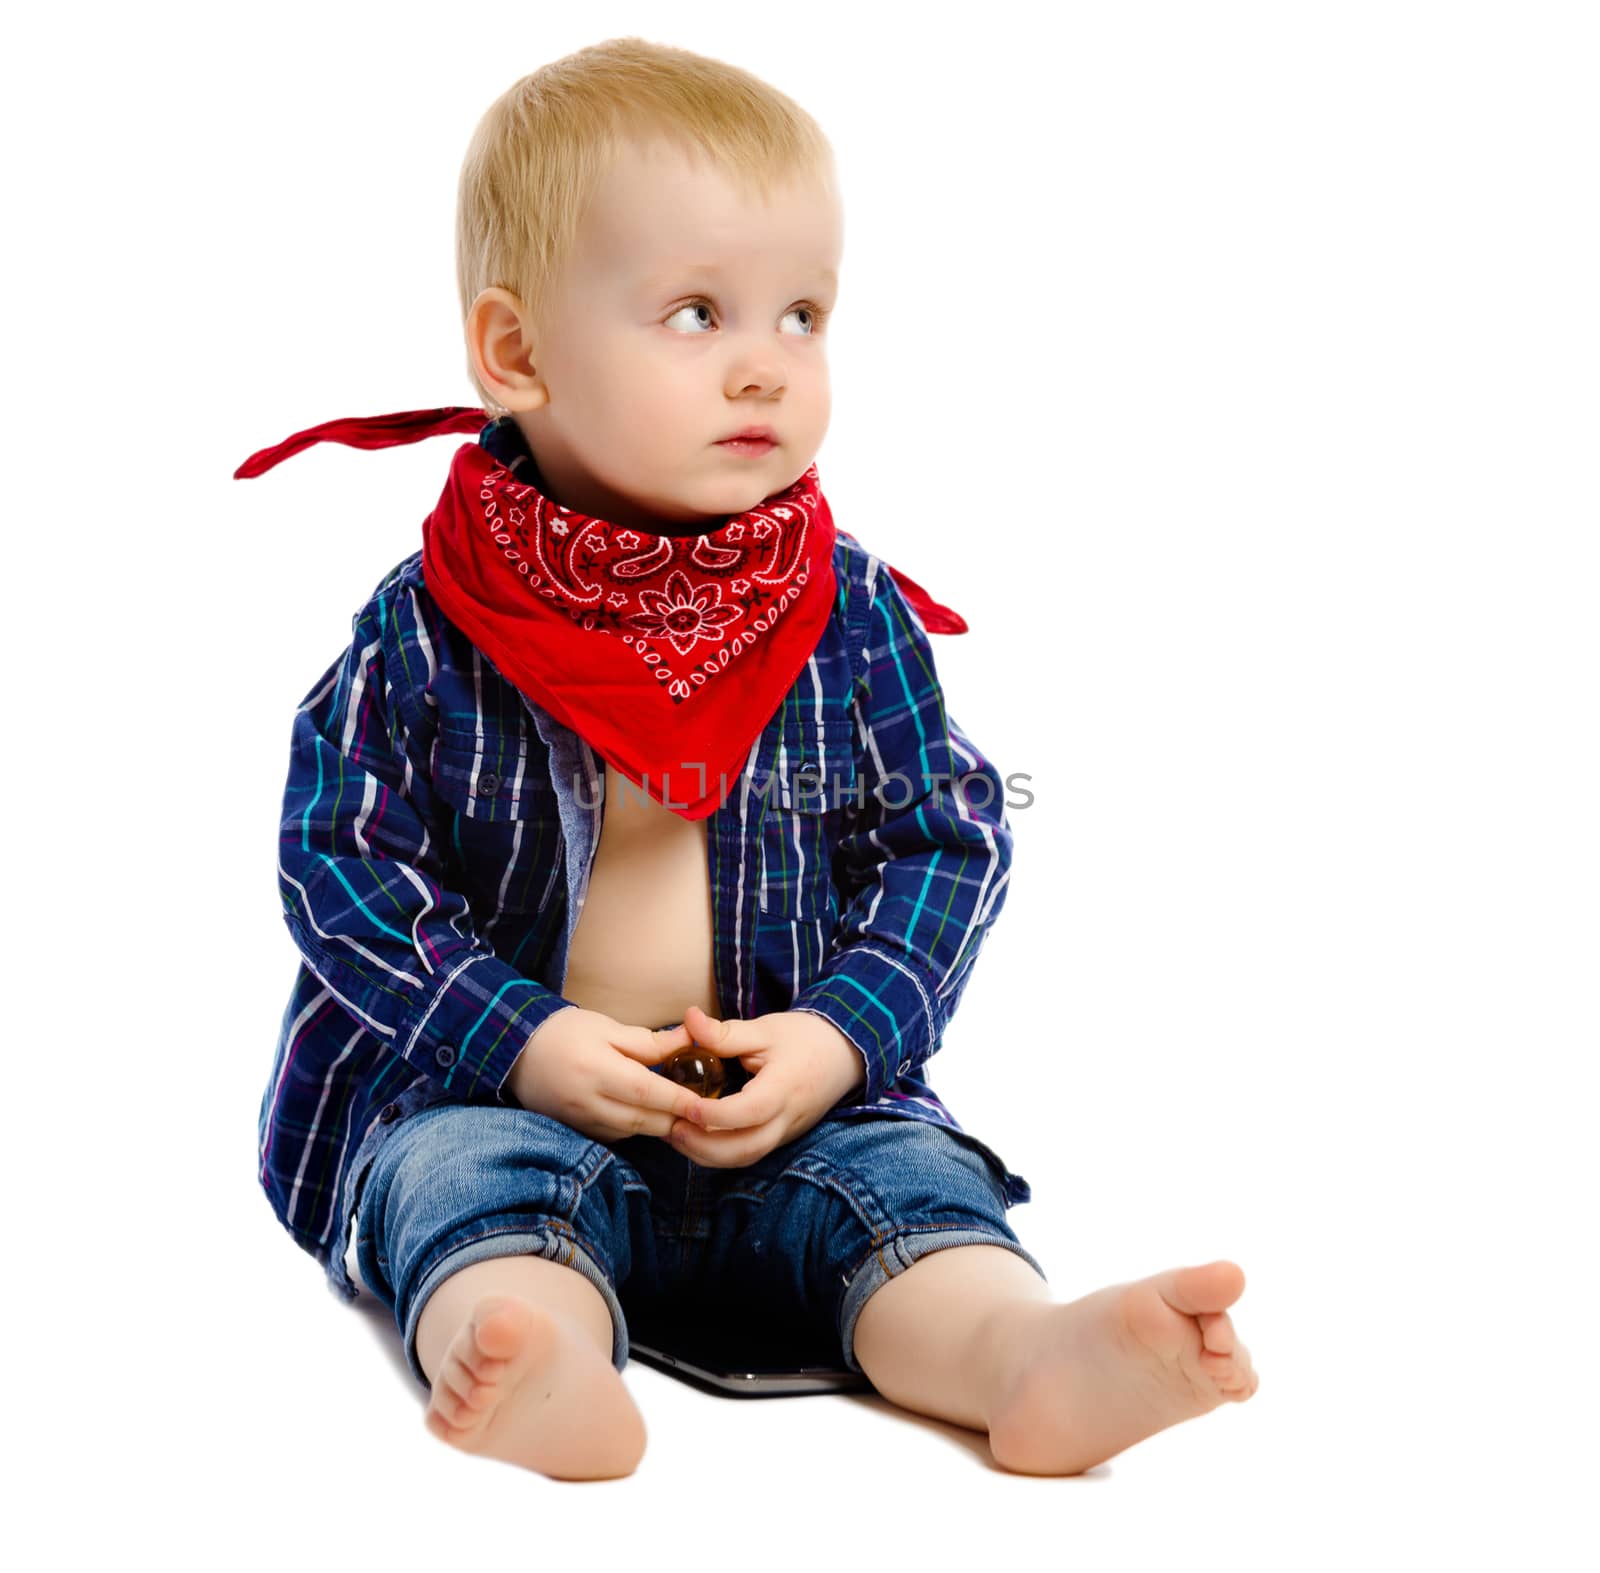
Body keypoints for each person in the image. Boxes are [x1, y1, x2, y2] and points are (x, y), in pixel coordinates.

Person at [241, 36, 1258, 1482]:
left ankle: (1023, 1356)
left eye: (802, 315)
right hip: (501, 1087)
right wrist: (518, 1037)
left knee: (902, 1191)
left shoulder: (843, 612)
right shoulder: (428, 628)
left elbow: (947, 834)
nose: (763, 365)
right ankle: (533, 1347)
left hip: (785, 1101)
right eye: (697, 312)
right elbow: (340, 863)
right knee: (463, 1191)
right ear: (517, 353)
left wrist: (840, 1035)